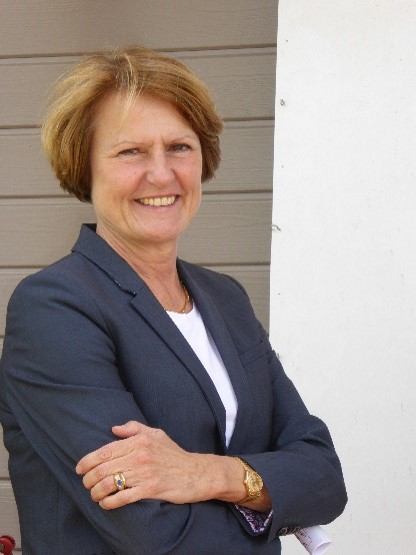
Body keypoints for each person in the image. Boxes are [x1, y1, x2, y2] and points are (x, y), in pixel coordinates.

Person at [0, 46, 347, 554]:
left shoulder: (225, 299)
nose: (161, 174)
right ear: (84, 167)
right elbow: (150, 531)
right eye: (131, 152)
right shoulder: (55, 309)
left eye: (179, 147)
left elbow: (324, 478)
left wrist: (206, 474)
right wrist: (269, 498)